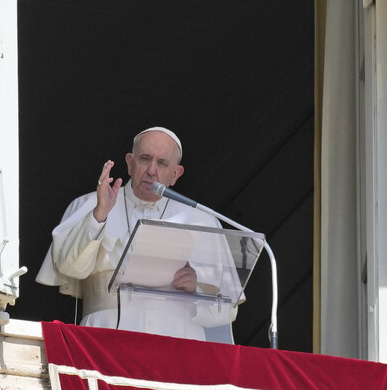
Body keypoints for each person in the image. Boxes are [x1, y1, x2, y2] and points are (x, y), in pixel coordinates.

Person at [36, 127, 242, 341]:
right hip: (105, 337)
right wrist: (100, 216)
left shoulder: (203, 220)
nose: (152, 170)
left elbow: (228, 311)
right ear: (129, 163)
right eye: (145, 159)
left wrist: (196, 288)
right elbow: (70, 268)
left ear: (176, 174)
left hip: (179, 344)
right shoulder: (88, 205)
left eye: (162, 163)